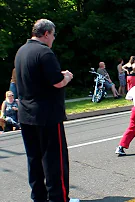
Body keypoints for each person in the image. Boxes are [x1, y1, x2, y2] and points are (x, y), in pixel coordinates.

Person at [14, 19, 79, 202]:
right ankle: (58, 198)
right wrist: (66, 77)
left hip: (26, 114)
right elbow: (57, 81)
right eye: (53, 34)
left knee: (34, 159)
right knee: (54, 161)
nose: (53, 38)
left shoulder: (22, 51)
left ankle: (39, 197)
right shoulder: (45, 52)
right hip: (47, 115)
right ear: (46, 34)